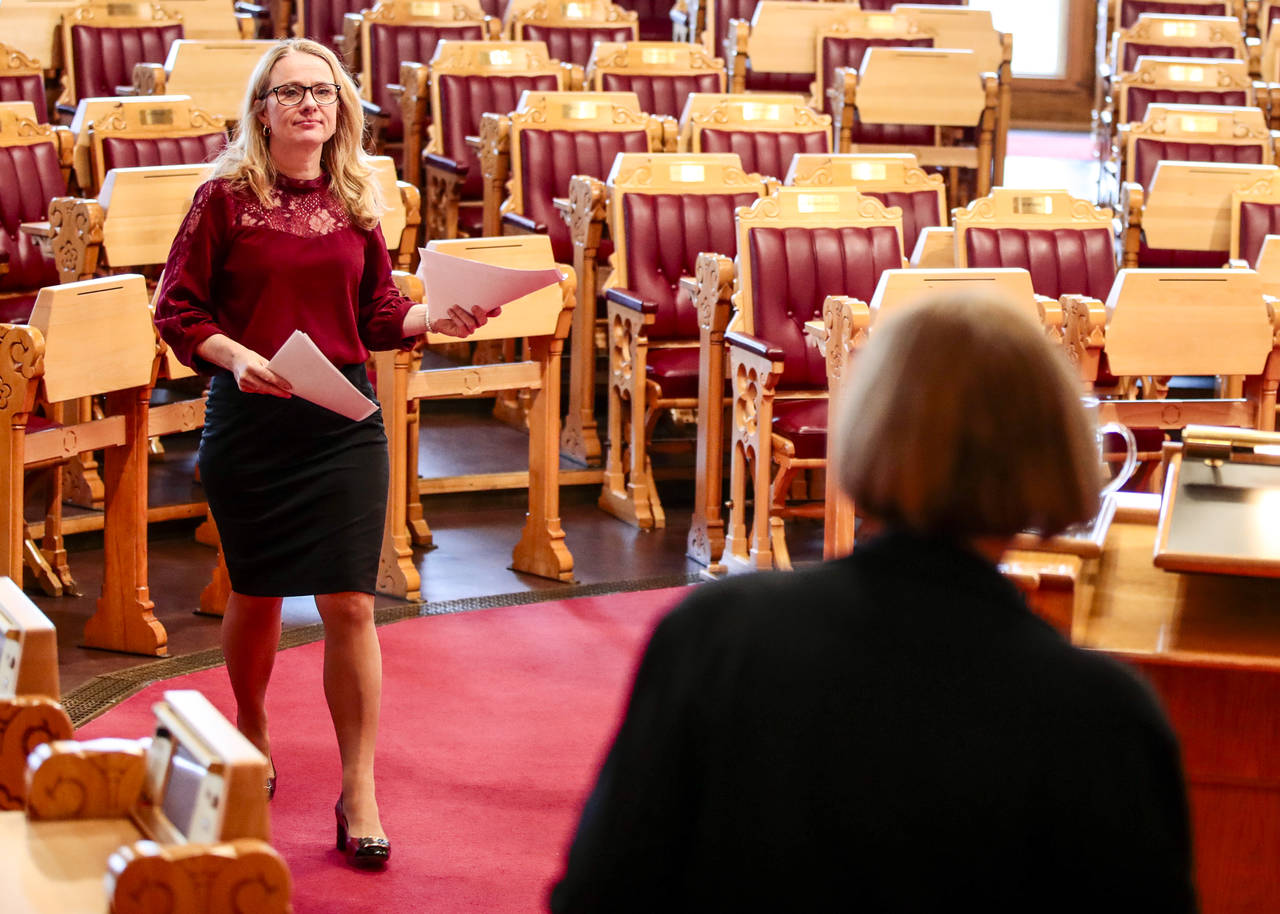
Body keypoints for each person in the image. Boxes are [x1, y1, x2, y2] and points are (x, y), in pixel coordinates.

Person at [548, 295, 1198, 911]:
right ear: (1052, 451)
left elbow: (599, 894)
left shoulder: (713, 636)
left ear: (867, 428)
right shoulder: (1104, 717)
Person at [154, 38, 492, 868]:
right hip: (253, 417)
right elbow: (178, 309)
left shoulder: (354, 199)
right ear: (261, 110)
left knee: (350, 603)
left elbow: (377, 311)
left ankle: (359, 788)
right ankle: (254, 724)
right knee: (259, 591)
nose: (311, 103)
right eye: (291, 92)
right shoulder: (222, 200)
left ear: (340, 108)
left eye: (324, 91)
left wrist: (431, 321)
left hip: (342, 419)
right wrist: (236, 357)